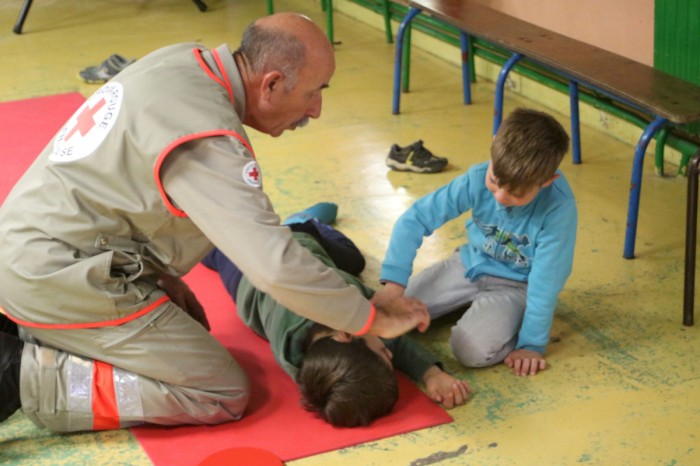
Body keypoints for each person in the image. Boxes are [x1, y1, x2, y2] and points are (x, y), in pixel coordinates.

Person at [0, 13, 429, 432]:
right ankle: (21, 376)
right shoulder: (208, 139)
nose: (315, 110)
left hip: (26, 244)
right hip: (54, 274)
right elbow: (274, 266)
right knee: (219, 391)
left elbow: (125, 189)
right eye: (315, 92)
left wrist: (161, 277)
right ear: (272, 84)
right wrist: (368, 318)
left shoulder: (185, 60)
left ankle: (23, 321)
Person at [202, 206, 471, 427]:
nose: (390, 352)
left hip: (267, 264)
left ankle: (297, 223)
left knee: (212, 255)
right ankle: (296, 222)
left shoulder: (342, 302)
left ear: (345, 333)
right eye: (388, 356)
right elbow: (351, 374)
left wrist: (428, 372)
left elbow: (385, 343)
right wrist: (430, 372)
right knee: (212, 249)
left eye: (383, 353)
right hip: (270, 263)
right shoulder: (319, 356)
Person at [380, 108, 577, 377]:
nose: (500, 197)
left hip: (517, 286)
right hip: (467, 264)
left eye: (517, 194)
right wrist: (393, 285)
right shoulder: (476, 177)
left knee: (470, 351)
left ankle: (506, 319)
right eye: (494, 182)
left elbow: (546, 282)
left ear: (547, 181)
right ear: (493, 143)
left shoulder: (559, 208)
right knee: (392, 314)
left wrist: (531, 344)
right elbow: (415, 219)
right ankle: (473, 308)